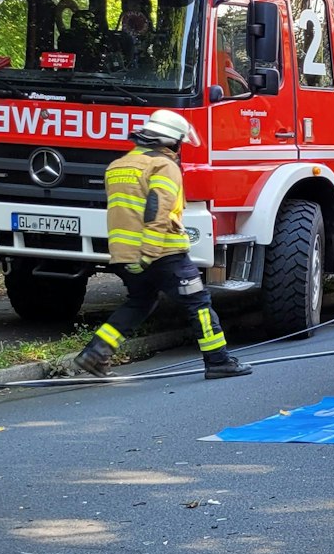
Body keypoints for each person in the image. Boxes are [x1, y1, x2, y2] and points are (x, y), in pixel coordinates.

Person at [72, 110, 250, 379]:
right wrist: (150, 253)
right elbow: (158, 210)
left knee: (139, 302)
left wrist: (138, 258)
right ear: (172, 141)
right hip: (164, 253)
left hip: (123, 254)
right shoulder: (163, 166)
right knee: (199, 304)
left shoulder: (118, 165)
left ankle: (95, 354)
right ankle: (218, 361)